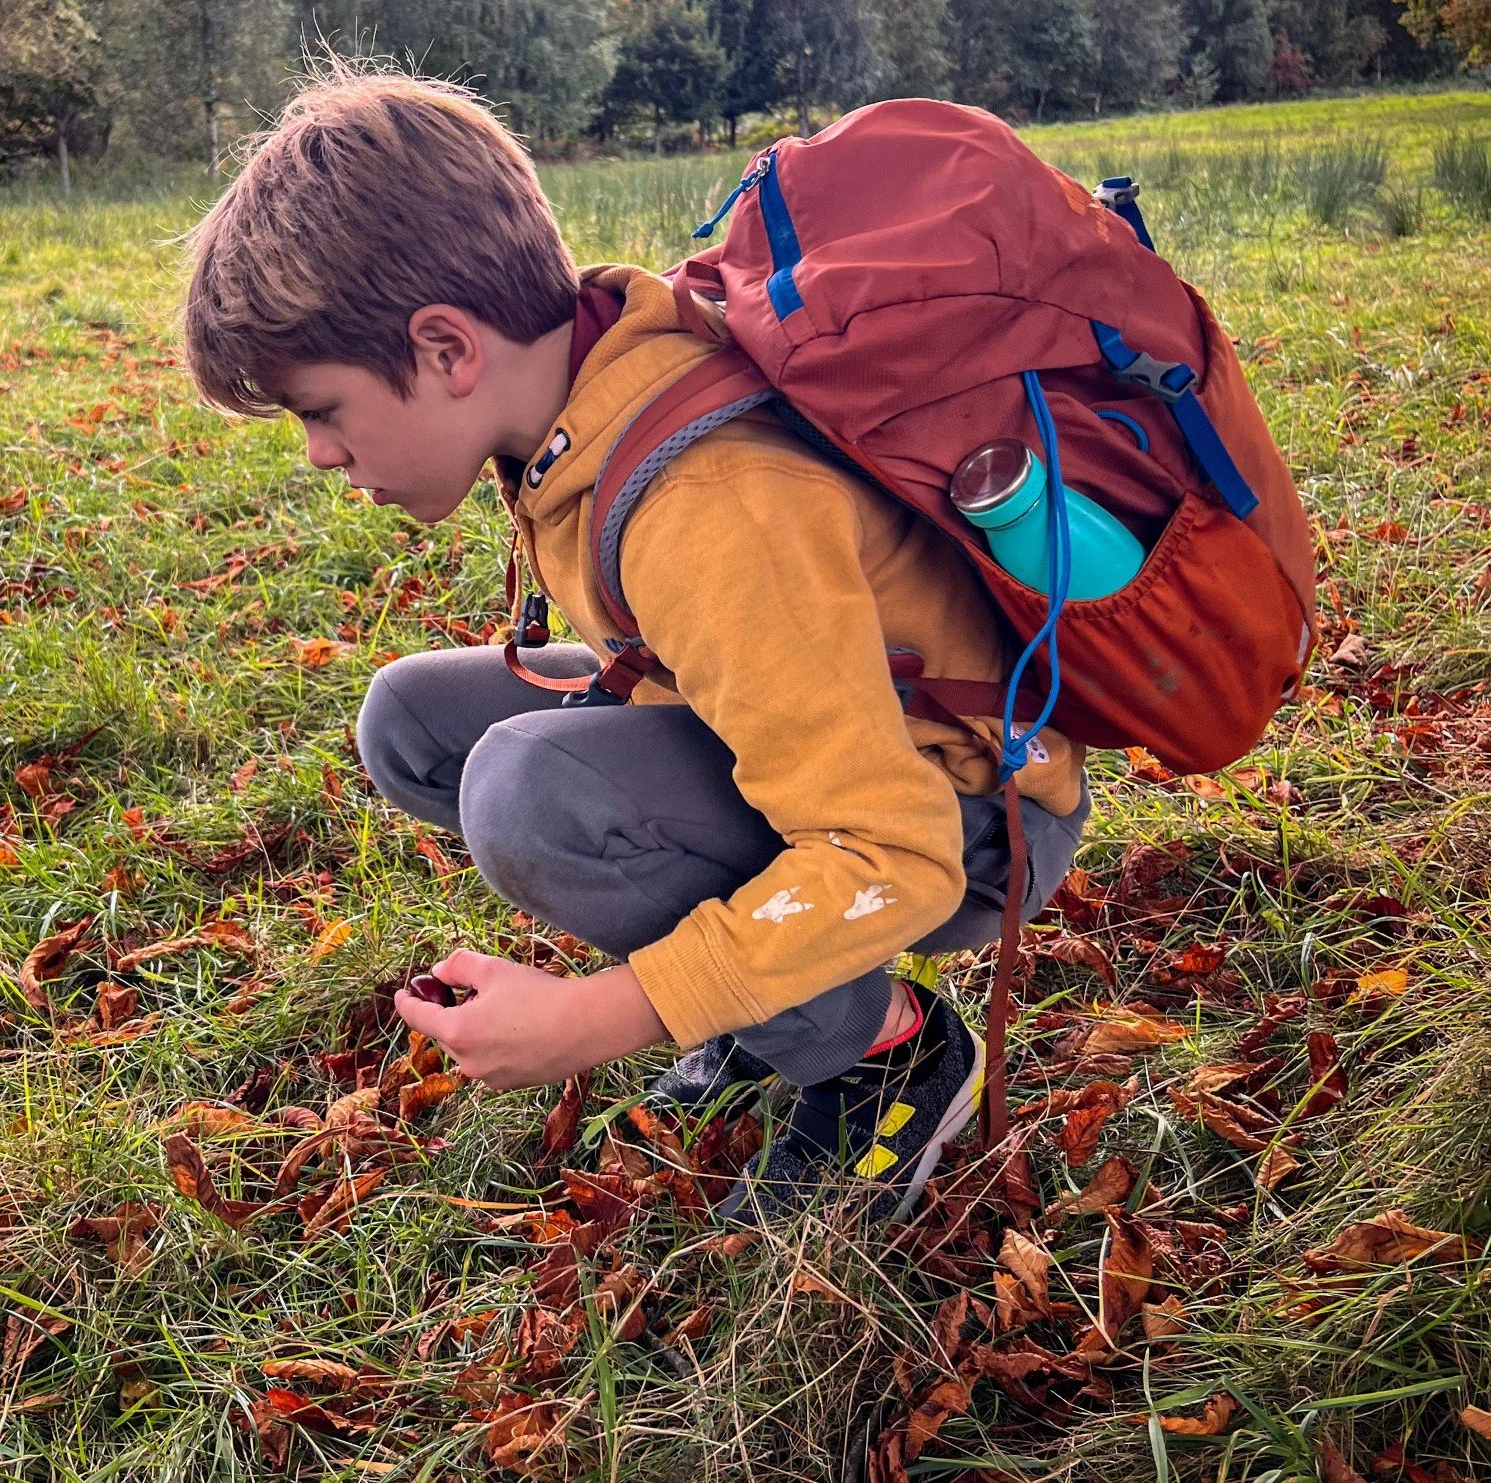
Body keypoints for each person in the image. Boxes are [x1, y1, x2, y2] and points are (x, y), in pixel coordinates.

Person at [181, 69, 1090, 1225]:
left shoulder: (707, 503)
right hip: (809, 732)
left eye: (320, 409)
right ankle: (768, 1009)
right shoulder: (583, 387)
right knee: (412, 724)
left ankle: (889, 1057)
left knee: (531, 792)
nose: (318, 452)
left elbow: (891, 852)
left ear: (449, 348)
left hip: (963, 816)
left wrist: (597, 1016)